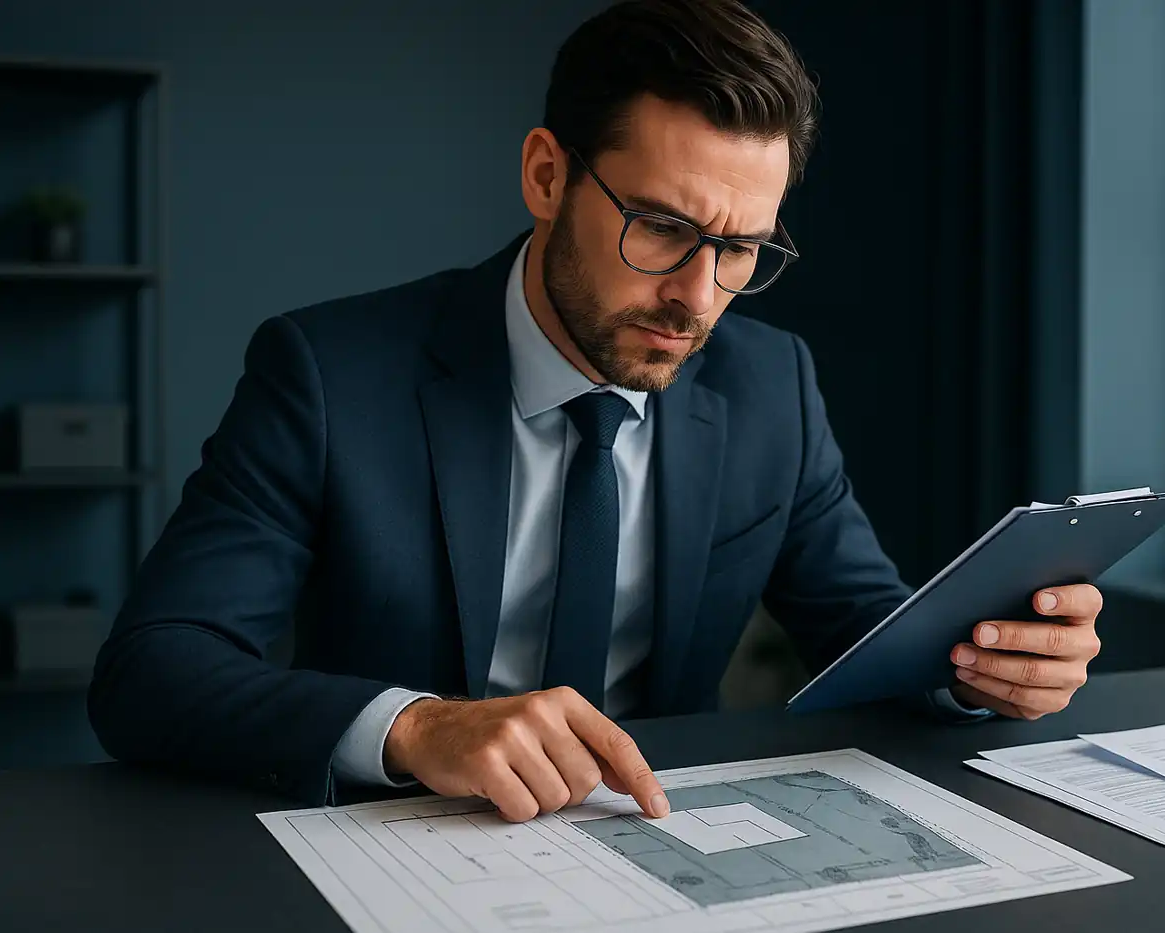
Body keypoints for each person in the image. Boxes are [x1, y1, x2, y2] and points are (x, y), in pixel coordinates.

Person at [88, 0, 1103, 821]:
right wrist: (417, 727)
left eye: (742, 247)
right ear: (546, 175)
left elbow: (866, 635)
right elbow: (153, 672)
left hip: (660, 839)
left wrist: (982, 671)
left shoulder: (769, 387)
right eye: (662, 229)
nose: (700, 297)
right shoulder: (327, 373)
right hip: (390, 845)